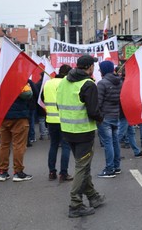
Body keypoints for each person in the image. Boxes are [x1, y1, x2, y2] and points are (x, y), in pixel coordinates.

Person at [58, 55, 105, 218]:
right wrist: (101, 117)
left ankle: (93, 196)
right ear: (90, 67)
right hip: (83, 131)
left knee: (83, 166)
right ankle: (75, 204)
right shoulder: (88, 84)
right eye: (93, 66)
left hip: (67, 130)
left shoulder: (64, 81)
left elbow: (59, 104)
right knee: (82, 167)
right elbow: (93, 111)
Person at [0, 80, 34, 182]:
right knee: (19, 145)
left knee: (4, 144)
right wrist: (28, 85)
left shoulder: (0, 80)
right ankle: (18, 172)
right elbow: (27, 94)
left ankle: (2, 172)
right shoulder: (18, 80)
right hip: (19, 116)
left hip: (4, 116)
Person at [43, 64, 73, 182]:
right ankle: (63, 173)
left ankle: (52, 172)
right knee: (66, 146)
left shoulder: (48, 83)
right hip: (64, 120)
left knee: (53, 145)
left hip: (51, 120)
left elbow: (42, 98)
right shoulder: (66, 83)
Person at [96, 60, 122, 178]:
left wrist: (97, 115)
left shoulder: (102, 83)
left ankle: (109, 169)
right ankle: (116, 167)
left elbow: (98, 102)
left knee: (108, 143)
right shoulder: (119, 82)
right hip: (115, 115)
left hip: (105, 117)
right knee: (115, 141)